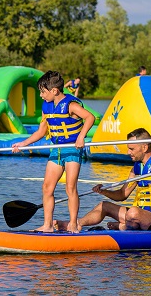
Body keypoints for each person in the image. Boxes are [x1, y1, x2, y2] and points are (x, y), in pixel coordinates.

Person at [57, 127, 151, 232]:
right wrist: (104, 192)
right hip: (139, 216)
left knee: (133, 212)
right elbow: (122, 195)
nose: (128, 152)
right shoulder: (137, 168)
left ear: (144, 147)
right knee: (104, 205)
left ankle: (124, 226)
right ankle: (76, 224)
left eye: (131, 149)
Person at [12, 71, 95, 233]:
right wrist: (23, 143)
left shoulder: (71, 105)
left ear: (54, 91)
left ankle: (73, 224)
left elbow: (90, 117)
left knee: (70, 187)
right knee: (47, 188)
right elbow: (41, 132)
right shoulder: (46, 106)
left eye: (43, 92)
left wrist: (81, 137)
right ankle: (48, 225)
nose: (41, 96)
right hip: (56, 150)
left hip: (72, 149)